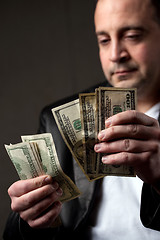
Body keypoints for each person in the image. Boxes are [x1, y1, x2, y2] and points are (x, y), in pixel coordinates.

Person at [3, 0, 160, 239]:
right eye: (104, 40)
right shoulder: (56, 121)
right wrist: (26, 221)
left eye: (132, 36)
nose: (116, 55)